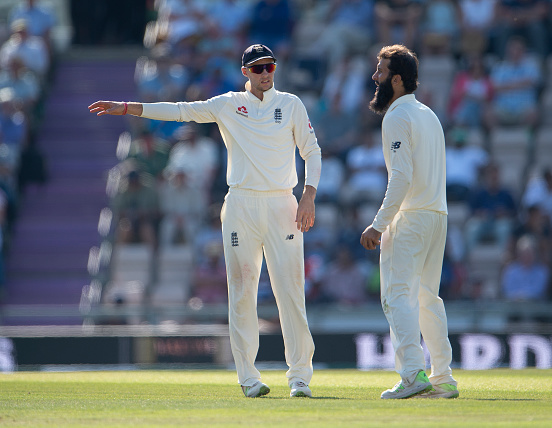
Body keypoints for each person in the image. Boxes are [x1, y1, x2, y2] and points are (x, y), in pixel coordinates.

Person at [89, 44, 321, 399]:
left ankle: (300, 377)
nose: (265, 74)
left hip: (282, 203)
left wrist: (308, 195)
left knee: (290, 292)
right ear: (245, 72)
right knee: (241, 292)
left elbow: (312, 149)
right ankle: (249, 378)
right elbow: (180, 111)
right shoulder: (228, 103)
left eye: (269, 67)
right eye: (257, 68)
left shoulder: (290, 104)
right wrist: (125, 107)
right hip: (241, 203)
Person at [360, 44, 458, 400]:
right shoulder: (428, 114)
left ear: (396, 79)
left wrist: (378, 224)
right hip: (437, 216)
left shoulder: (397, 116)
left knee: (396, 297)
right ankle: (443, 377)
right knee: (428, 298)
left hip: (412, 217)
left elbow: (400, 177)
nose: (375, 77)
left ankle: (413, 374)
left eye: (381, 71)